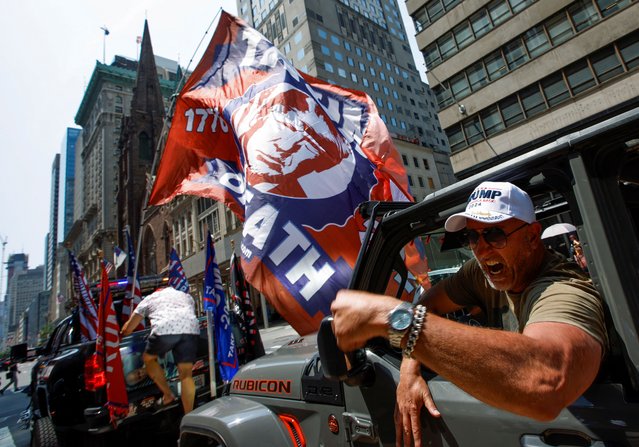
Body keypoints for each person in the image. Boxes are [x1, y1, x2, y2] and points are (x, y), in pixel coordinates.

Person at [331, 181, 607, 447]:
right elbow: (429, 304)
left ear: (532, 236)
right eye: (472, 237)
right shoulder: (481, 273)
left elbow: (546, 380)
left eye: (495, 234)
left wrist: (393, 320)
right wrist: (409, 368)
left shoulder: (563, 289)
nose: (482, 249)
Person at [121, 285, 200, 413]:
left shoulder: (149, 299)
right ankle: (188, 416)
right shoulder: (185, 296)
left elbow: (128, 329)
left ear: (156, 291)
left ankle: (168, 395)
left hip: (165, 330)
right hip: (190, 329)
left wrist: (121, 333)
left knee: (148, 358)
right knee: (186, 376)